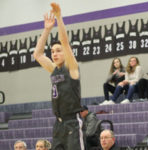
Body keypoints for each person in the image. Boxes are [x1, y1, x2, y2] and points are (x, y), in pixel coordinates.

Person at [34, 3, 84, 150]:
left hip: (72, 123)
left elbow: (65, 42)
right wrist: (47, 30)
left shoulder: (72, 68)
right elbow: (37, 54)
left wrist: (59, 17)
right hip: (58, 124)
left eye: (58, 51)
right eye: (53, 51)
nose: (54, 54)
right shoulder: (54, 69)